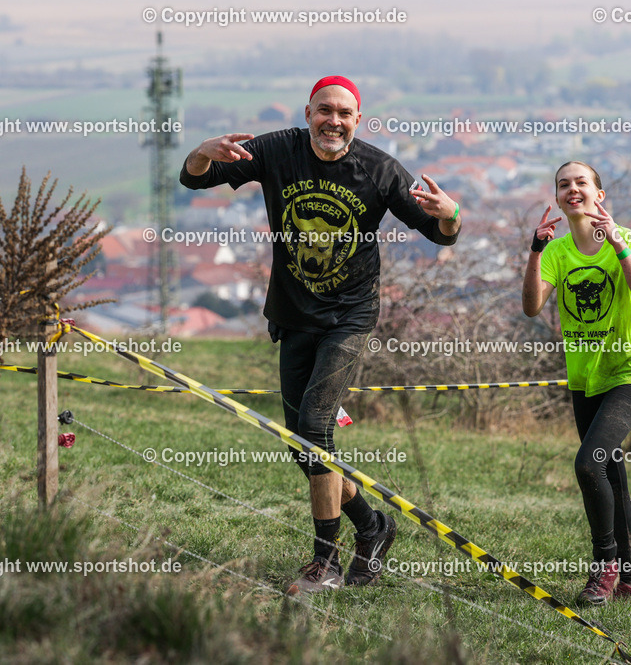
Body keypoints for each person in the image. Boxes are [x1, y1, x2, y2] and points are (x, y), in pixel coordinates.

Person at [179, 76, 462, 595]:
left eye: (345, 113)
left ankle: (323, 562)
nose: (334, 120)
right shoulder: (275, 150)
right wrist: (201, 152)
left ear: (359, 119)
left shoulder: (378, 170)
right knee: (301, 445)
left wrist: (452, 217)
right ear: (308, 112)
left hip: (350, 316)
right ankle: (374, 527)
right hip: (292, 314)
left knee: (314, 427)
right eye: (325, 110)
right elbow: (194, 179)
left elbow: (437, 234)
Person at [521, 161, 631, 606]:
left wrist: (618, 244)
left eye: (581, 182)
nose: (572, 189)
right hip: (584, 378)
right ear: (557, 198)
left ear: (599, 195)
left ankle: (605, 566)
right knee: (611, 474)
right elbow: (531, 307)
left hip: (628, 372)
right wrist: (535, 250)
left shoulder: (623, 238)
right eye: (564, 185)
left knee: (587, 465)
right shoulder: (558, 252)